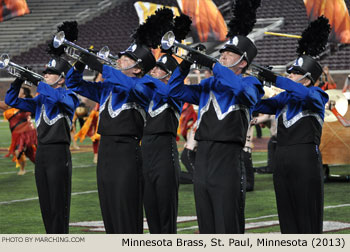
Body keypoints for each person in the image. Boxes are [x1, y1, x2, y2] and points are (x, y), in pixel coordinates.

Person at [167, 0, 263, 233]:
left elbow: (244, 93)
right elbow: (174, 91)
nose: (224, 56)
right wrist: (184, 65)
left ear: (243, 61)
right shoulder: (208, 84)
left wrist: (213, 65)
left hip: (228, 156)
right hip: (204, 154)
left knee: (226, 217)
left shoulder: (251, 83)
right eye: (223, 53)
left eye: (230, 54)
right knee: (206, 217)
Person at [256, 16, 330, 233]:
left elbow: (305, 95)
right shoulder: (284, 98)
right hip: (282, 158)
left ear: (307, 79)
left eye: (294, 73)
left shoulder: (317, 94)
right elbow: (260, 105)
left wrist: (277, 80)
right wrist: (254, 84)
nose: (289, 75)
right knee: (286, 213)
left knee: (307, 213)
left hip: (305, 157)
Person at [5, 56, 79, 233]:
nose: (45, 75)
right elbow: (11, 101)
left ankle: (60, 240)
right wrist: (19, 79)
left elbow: (58, 99)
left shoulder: (69, 96)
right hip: (43, 152)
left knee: (58, 203)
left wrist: (39, 83)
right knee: (45, 202)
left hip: (58, 153)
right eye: (44, 73)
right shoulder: (40, 100)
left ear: (61, 78)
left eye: (50, 73)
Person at [142, 54, 182, 233]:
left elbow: (167, 91)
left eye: (159, 69)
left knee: (166, 211)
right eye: (154, 68)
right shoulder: (147, 93)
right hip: (146, 152)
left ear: (169, 76)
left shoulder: (174, 92)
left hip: (165, 152)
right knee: (150, 209)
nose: (153, 71)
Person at [1, 87, 37, 175]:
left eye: (19, 92)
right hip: (17, 135)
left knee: (30, 152)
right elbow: (4, 105)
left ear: (24, 95)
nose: (16, 92)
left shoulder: (26, 103)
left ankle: (39, 167)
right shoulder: (11, 104)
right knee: (19, 153)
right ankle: (23, 168)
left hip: (28, 133)